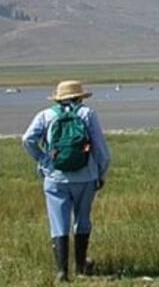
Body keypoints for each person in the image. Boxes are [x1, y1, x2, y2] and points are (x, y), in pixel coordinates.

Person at [22, 80, 111, 282]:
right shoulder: (87, 114)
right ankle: (80, 266)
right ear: (80, 97)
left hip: (55, 177)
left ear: (58, 98)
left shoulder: (45, 115)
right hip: (86, 176)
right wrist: (100, 173)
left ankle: (62, 270)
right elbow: (102, 152)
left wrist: (43, 159)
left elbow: (27, 139)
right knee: (83, 219)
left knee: (58, 223)